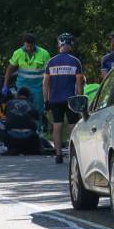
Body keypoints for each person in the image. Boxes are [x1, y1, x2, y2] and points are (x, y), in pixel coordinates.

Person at [44, 33, 84, 164]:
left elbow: (45, 84)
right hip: (71, 99)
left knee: (57, 125)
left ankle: (58, 154)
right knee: (73, 126)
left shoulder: (51, 62)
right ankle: (73, 154)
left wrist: (46, 100)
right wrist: (80, 100)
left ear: (59, 44)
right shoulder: (75, 61)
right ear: (71, 45)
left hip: (55, 99)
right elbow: (79, 84)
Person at [4, 33, 50, 119]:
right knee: (21, 109)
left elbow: (49, 73)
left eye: (30, 46)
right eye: (27, 46)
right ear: (24, 43)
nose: (28, 48)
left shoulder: (44, 53)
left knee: (37, 110)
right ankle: (22, 129)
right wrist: (5, 85)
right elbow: (9, 69)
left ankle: (37, 129)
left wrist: (49, 89)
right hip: (22, 86)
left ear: (34, 44)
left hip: (38, 87)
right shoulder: (18, 53)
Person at [0, 87, 42, 155]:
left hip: (11, 136)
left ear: (17, 95)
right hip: (28, 136)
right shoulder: (31, 105)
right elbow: (37, 118)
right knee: (36, 124)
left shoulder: (9, 102)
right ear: (28, 96)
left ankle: (11, 147)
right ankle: (29, 147)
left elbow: (6, 116)